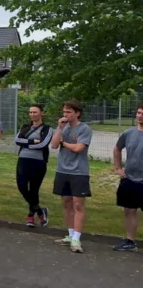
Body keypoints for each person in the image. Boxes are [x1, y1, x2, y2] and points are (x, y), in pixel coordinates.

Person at [50, 100, 93, 253]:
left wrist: (65, 143)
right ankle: (69, 234)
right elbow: (54, 145)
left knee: (78, 205)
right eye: (64, 112)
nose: (65, 115)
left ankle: (76, 238)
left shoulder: (84, 129)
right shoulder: (63, 128)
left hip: (79, 172)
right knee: (66, 203)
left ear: (77, 113)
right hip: (62, 170)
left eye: (69, 112)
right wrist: (59, 129)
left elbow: (79, 148)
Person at [14, 104, 52, 227]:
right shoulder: (25, 127)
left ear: (42, 113)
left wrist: (26, 144)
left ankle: (31, 215)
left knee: (34, 189)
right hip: (23, 160)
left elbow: (43, 144)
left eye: (35, 112)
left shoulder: (47, 129)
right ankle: (40, 210)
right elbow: (17, 140)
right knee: (22, 186)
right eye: (30, 112)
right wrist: (32, 141)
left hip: (38, 162)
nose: (32, 114)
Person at [112, 105, 143, 252]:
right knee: (129, 211)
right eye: (138, 113)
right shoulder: (128, 133)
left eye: (142, 114)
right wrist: (118, 168)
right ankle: (130, 241)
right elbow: (117, 148)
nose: (140, 116)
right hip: (130, 178)